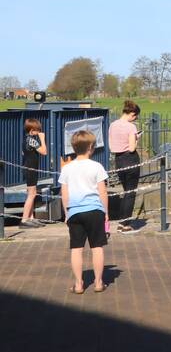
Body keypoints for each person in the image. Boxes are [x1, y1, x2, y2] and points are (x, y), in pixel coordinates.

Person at [58, 129, 109, 294]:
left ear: (73, 148)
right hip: (94, 210)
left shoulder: (67, 168)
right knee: (97, 247)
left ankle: (79, 284)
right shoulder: (97, 167)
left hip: (75, 211)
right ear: (91, 147)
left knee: (76, 248)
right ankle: (99, 282)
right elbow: (103, 192)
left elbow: (64, 194)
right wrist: (106, 213)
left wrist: (67, 213)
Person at [108, 100, 142, 233]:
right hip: (131, 159)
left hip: (119, 160)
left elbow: (111, 146)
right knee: (130, 192)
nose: (135, 119)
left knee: (125, 191)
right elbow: (132, 148)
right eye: (135, 116)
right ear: (132, 114)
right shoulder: (131, 127)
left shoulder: (113, 125)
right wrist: (136, 138)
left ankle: (122, 221)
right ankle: (125, 224)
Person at [19, 118, 47, 228]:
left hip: (29, 169)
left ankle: (31, 218)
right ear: (31, 130)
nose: (39, 132)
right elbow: (44, 152)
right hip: (31, 170)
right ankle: (24, 220)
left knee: (32, 193)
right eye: (37, 130)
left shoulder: (26, 139)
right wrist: (42, 139)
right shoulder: (32, 140)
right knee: (31, 194)